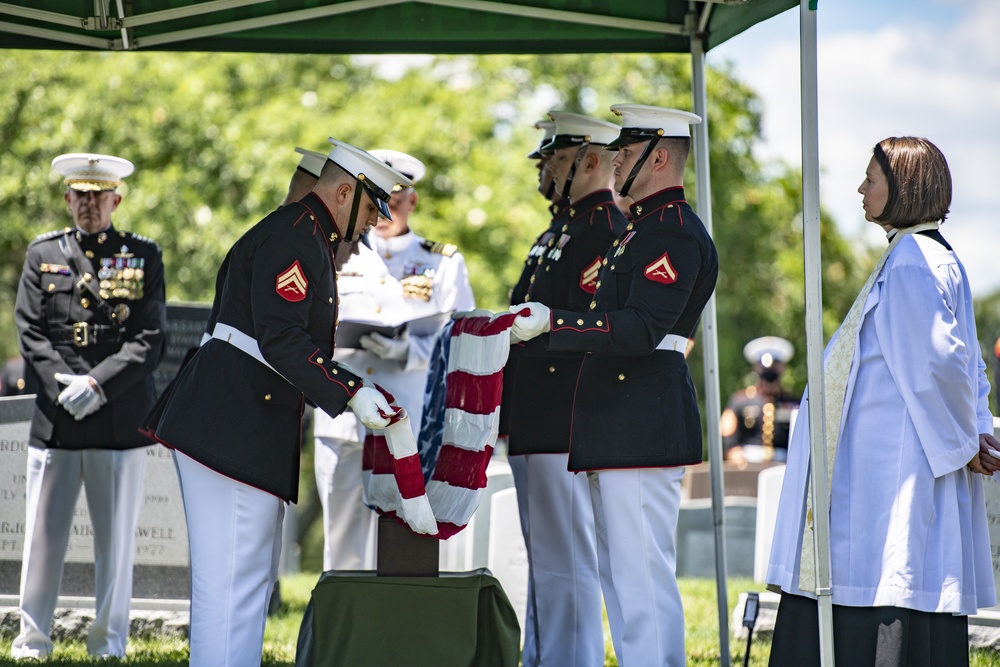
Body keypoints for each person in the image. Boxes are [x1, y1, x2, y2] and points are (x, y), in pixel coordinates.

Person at [142, 138, 412, 667]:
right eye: (367, 211)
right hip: (235, 420)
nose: (369, 227)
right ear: (342, 193)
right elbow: (282, 337)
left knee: (240, 583)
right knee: (231, 581)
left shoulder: (305, 234)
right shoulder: (297, 237)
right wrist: (351, 391)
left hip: (241, 418)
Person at [766, 137, 999, 666]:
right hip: (883, 468)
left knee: (887, 571)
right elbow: (969, 364)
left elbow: (940, 365)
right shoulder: (916, 254)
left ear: (904, 187)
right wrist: (974, 429)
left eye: (871, 179)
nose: (860, 189)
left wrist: (965, 442)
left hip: (892, 473)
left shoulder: (915, 260)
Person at [511, 104, 719, 667]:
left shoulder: (671, 231)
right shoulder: (646, 228)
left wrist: (556, 322)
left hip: (640, 419)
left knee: (641, 579)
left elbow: (642, 329)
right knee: (622, 577)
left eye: (624, 154)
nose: (614, 162)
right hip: (621, 418)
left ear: (657, 157)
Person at [12, 152, 166, 659]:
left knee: (115, 544)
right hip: (56, 420)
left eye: (100, 196)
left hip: (118, 419)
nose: (90, 205)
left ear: (116, 200)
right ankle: (32, 639)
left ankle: (108, 642)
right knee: (42, 540)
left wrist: (97, 385)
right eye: (81, 195)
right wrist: (63, 387)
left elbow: (149, 338)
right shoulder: (42, 255)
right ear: (67, 199)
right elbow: (30, 330)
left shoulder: (142, 256)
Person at [311, 149, 474, 571]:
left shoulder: (442, 261)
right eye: (376, 199)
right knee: (341, 535)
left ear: (412, 201)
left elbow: (461, 336)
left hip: (406, 413)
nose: (383, 211)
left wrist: (412, 350)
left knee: (404, 535)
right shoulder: (336, 252)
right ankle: (343, 625)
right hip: (342, 411)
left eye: (395, 199)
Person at [504, 110, 625, 667]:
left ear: (591, 161)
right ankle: (544, 657)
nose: (545, 170)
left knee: (567, 561)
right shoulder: (561, 229)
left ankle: (569, 660)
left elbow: (586, 326)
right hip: (536, 414)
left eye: (555, 159)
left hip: (565, 415)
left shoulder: (603, 230)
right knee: (546, 559)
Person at [721, 336, 799, 464]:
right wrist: (736, 457)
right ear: (755, 367)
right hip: (748, 463)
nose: (769, 369)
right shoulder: (740, 401)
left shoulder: (794, 403)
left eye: (775, 365)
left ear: (783, 367)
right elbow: (728, 434)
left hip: (785, 463)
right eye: (764, 366)